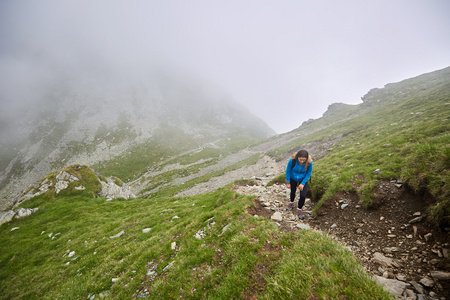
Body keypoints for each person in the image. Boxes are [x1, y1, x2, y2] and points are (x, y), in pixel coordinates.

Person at [285, 150, 313, 219]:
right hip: (293, 177)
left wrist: (303, 183)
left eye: (304, 160)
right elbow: (288, 171)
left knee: (303, 195)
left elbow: (309, 173)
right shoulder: (292, 160)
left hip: (303, 179)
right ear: (297, 157)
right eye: (300, 159)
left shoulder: (309, 162)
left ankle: (299, 209)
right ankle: (291, 202)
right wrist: (288, 182)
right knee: (293, 190)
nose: (302, 161)